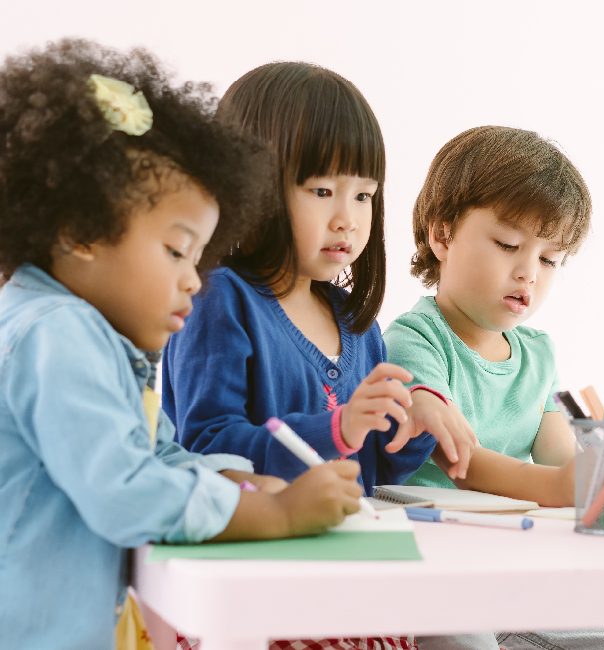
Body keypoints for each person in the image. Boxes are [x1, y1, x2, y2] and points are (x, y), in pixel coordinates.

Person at [0, 40, 364, 650]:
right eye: (176, 251)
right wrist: (273, 516)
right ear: (81, 232)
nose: (194, 279)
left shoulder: (96, 340)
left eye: (200, 257)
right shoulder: (54, 334)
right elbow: (124, 491)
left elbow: (159, 453)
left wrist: (238, 483)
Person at [162, 61, 476, 650]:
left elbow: (374, 471)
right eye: (323, 191)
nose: (347, 219)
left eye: (364, 195)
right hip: (260, 591)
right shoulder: (218, 297)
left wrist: (414, 426)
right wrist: (338, 425)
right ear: (249, 185)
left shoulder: (356, 321)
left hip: (349, 584)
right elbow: (208, 448)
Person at [385, 125, 604, 649]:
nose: (529, 272)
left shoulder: (539, 354)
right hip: (434, 569)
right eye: (509, 245)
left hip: (514, 566)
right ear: (442, 236)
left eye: (550, 258)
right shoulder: (412, 341)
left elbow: (556, 456)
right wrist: (559, 488)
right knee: (464, 642)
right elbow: (463, 464)